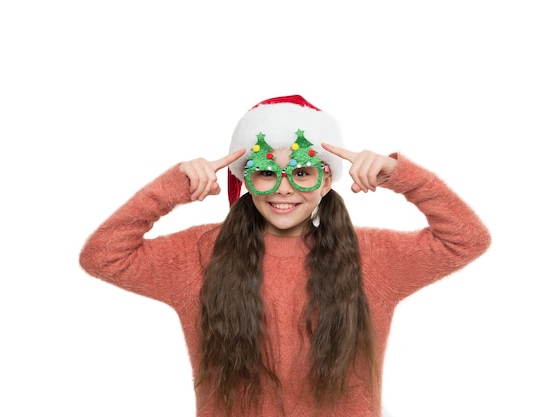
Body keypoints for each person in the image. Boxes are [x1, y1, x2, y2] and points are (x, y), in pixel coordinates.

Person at [79, 95, 491, 417]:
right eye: (265, 172)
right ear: (247, 180)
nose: (283, 188)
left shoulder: (372, 257)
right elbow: (102, 256)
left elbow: (466, 240)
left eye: (301, 171)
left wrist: (402, 177)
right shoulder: (200, 254)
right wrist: (175, 187)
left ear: (326, 179)